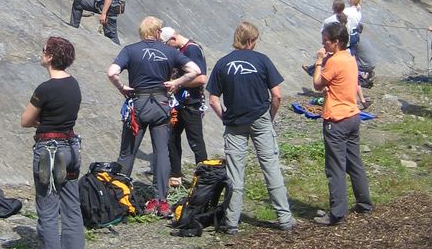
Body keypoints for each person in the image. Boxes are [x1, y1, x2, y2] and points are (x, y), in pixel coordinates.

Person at [207, 21, 296, 235]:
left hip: (235, 123)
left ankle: (232, 222)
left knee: (235, 173)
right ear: (249, 41)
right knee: (270, 166)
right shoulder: (262, 60)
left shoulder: (222, 63)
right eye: (254, 40)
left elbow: (212, 100)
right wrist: (270, 117)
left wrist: (225, 118)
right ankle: (284, 218)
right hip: (260, 118)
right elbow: (277, 95)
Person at [107, 17, 201, 217]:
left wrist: (122, 87)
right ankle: (161, 200)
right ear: (158, 32)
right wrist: (177, 82)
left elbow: (112, 72)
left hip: (138, 104)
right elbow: (196, 71)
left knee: (128, 152)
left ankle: (119, 197)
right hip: (161, 104)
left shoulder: (130, 50)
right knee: (161, 152)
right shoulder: (171, 51)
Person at [20, 36, 84, 249]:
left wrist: (42, 122)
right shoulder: (74, 84)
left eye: (43, 50)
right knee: (71, 207)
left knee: (48, 209)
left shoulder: (45, 89)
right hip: (71, 148)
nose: (41, 53)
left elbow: (26, 120)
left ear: (50, 56)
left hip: (49, 151)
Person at [311, 21, 373, 225]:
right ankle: (364, 203)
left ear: (336, 42)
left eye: (326, 42)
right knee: (354, 162)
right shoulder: (349, 58)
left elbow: (318, 84)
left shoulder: (334, 61)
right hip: (352, 116)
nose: (323, 45)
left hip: (336, 119)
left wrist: (319, 61)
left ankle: (337, 213)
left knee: (335, 167)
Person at [160, 26, 208, 188]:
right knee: (172, 137)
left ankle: (205, 177)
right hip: (179, 103)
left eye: (167, 45)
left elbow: (201, 79)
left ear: (173, 38)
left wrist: (177, 84)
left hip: (191, 103)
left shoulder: (192, 51)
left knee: (195, 139)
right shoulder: (181, 49)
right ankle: (175, 174)